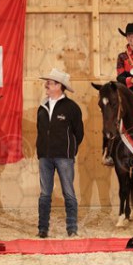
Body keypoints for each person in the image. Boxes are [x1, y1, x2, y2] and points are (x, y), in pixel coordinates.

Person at [36, 68, 84, 238]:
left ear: (59, 86)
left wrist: (70, 150)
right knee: (45, 194)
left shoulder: (72, 108)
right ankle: (42, 229)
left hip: (64, 157)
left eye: (49, 83)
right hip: (45, 157)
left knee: (68, 193)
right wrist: (41, 150)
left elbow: (79, 133)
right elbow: (40, 131)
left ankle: (72, 229)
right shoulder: (42, 108)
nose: (46, 85)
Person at [101, 22, 133, 166]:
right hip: (127, 93)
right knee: (110, 113)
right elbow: (119, 77)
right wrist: (132, 79)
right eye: (129, 35)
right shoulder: (122, 56)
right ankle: (108, 152)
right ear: (127, 38)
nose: (132, 38)